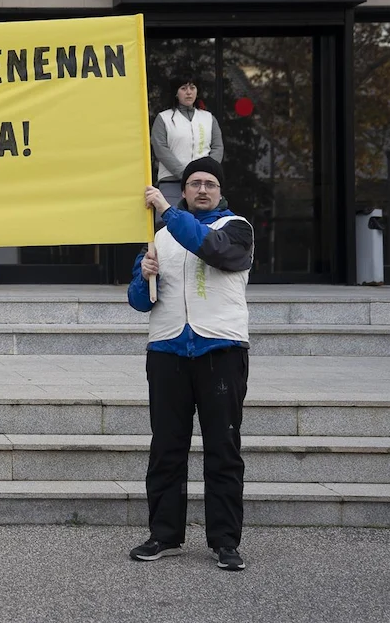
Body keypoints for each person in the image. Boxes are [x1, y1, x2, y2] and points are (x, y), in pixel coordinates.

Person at [125, 157, 253, 572]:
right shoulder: (158, 236)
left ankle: (224, 542)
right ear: (184, 190)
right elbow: (139, 301)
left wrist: (166, 209)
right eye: (194, 183)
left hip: (220, 351)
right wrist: (144, 277)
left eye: (209, 184)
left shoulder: (236, 228)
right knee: (166, 448)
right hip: (167, 352)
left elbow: (211, 249)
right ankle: (164, 534)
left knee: (223, 450)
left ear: (220, 192)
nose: (202, 189)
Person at [150, 78, 223, 213]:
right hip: (171, 183)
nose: (189, 92)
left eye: (192, 88)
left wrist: (207, 171)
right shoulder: (164, 118)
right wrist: (186, 174)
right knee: (169, 225)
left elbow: (217, 147)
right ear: (176, 93)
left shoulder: (208, 118)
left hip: (203, 185)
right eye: (183, 88)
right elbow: (161, 149)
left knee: (204, 225)